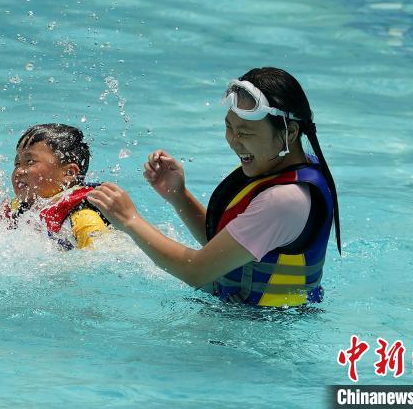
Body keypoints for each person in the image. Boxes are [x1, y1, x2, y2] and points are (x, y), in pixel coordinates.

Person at [87, 67, 341, 306]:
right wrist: (179, 197)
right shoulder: (277, 168)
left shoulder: (285, 200)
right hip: (241, 316)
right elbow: (224, 246)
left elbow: (195, 272)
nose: (234, 141)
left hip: (262, 328)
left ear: (290, 133)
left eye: (246, 133)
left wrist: (129, 220)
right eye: (229, 127)